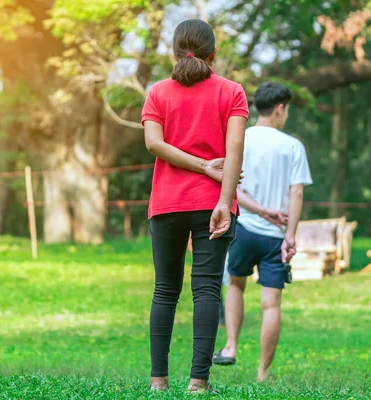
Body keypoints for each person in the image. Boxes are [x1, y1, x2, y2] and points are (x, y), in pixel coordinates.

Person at [141, 19, 248, 393]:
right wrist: (222, 196)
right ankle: (198, 383)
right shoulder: (232, 92)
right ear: (213, 53)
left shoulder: (158, 93)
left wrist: (201, 168)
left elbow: (154, 144)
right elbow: (234, 149)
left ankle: (158, 382)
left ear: (172, 52)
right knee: (206, 290)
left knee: (164, 291)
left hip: (167, 203)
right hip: (212, 204)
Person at [212, 82, 313, 381]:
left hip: (242, 228)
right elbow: (296, 194)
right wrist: (291, 234)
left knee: (235, 287)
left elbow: (229, 185)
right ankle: (263, 372)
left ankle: (230, 346)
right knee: (271, 305)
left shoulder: (240, 139)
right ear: (280, 108)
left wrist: (257, 210)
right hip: (275, 237)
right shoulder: (293, 146)